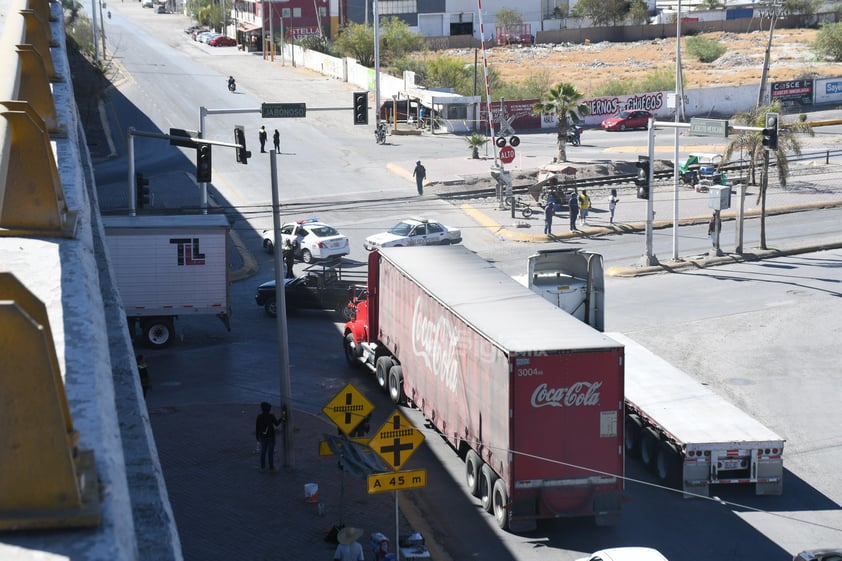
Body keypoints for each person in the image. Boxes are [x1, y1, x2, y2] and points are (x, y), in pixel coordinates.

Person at [255, 402, 283, 472]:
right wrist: (283, 417)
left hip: (263, 437)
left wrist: (257, 437)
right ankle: (271, 468)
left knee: (263, 452)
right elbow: (276, 424)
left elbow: (257, 428)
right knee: (270, 453)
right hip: (271, 437)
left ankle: (262, 467)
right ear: (269, 409)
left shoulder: (259, 417)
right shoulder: (271, 416)